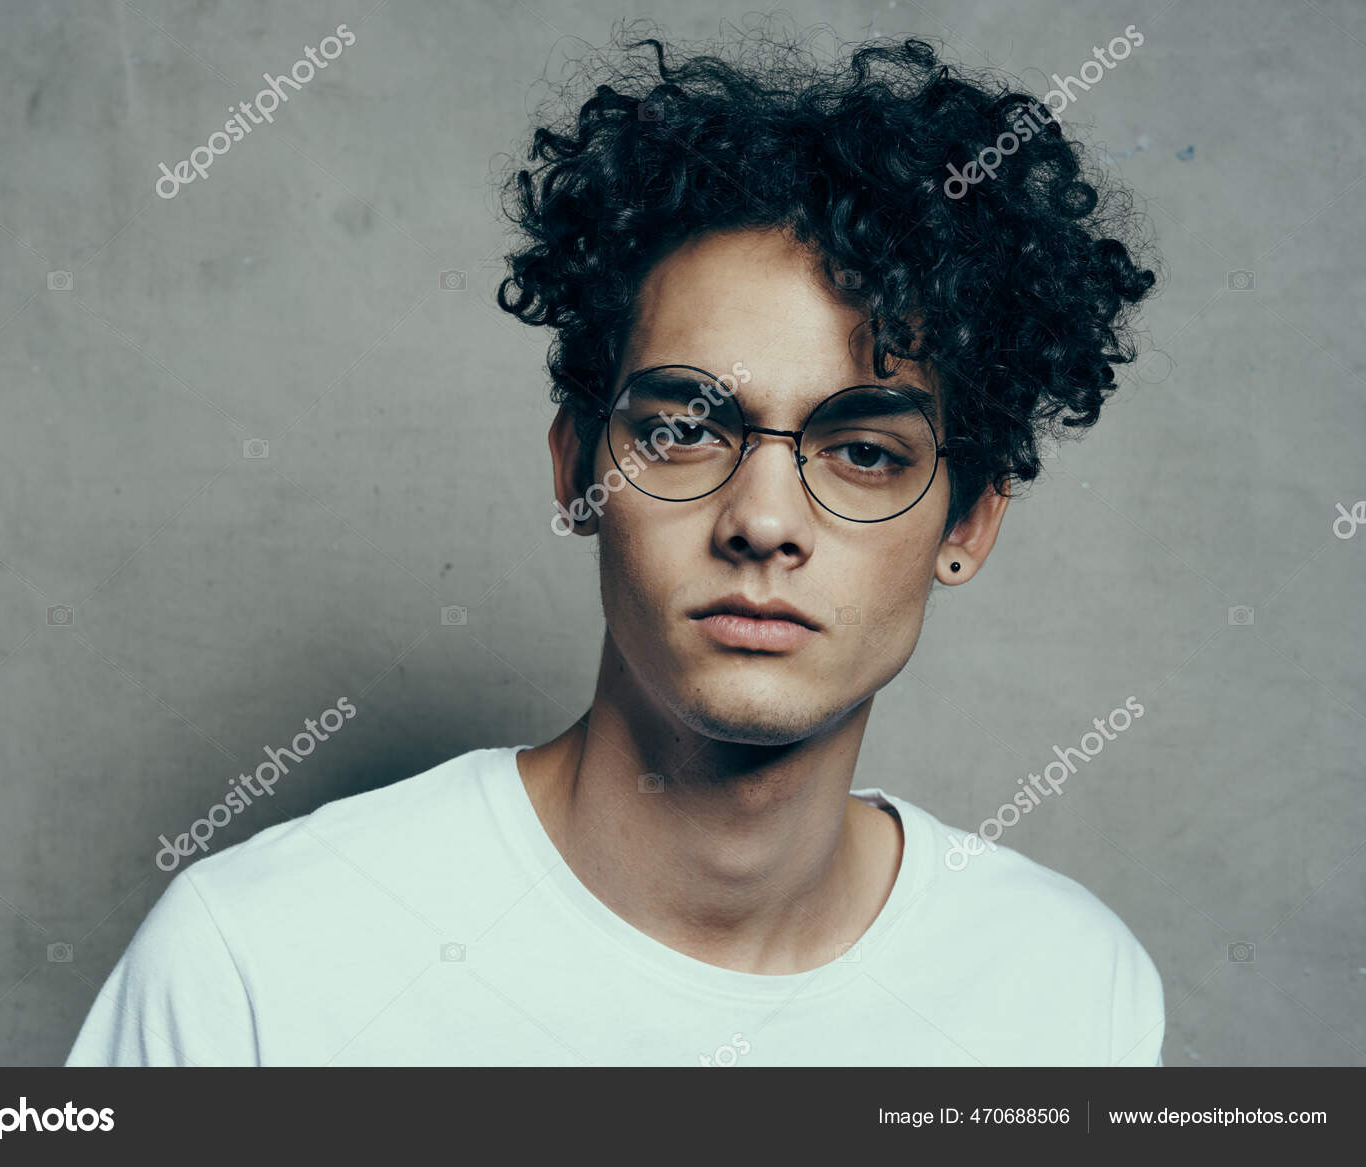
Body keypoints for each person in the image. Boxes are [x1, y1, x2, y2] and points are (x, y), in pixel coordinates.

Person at [66, 31, 1164, 1067]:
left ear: (965, 525)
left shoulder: (1065, 990)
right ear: (578, 472)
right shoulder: (254, 960)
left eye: (864, 452)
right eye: (684, 430)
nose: (763, 521)